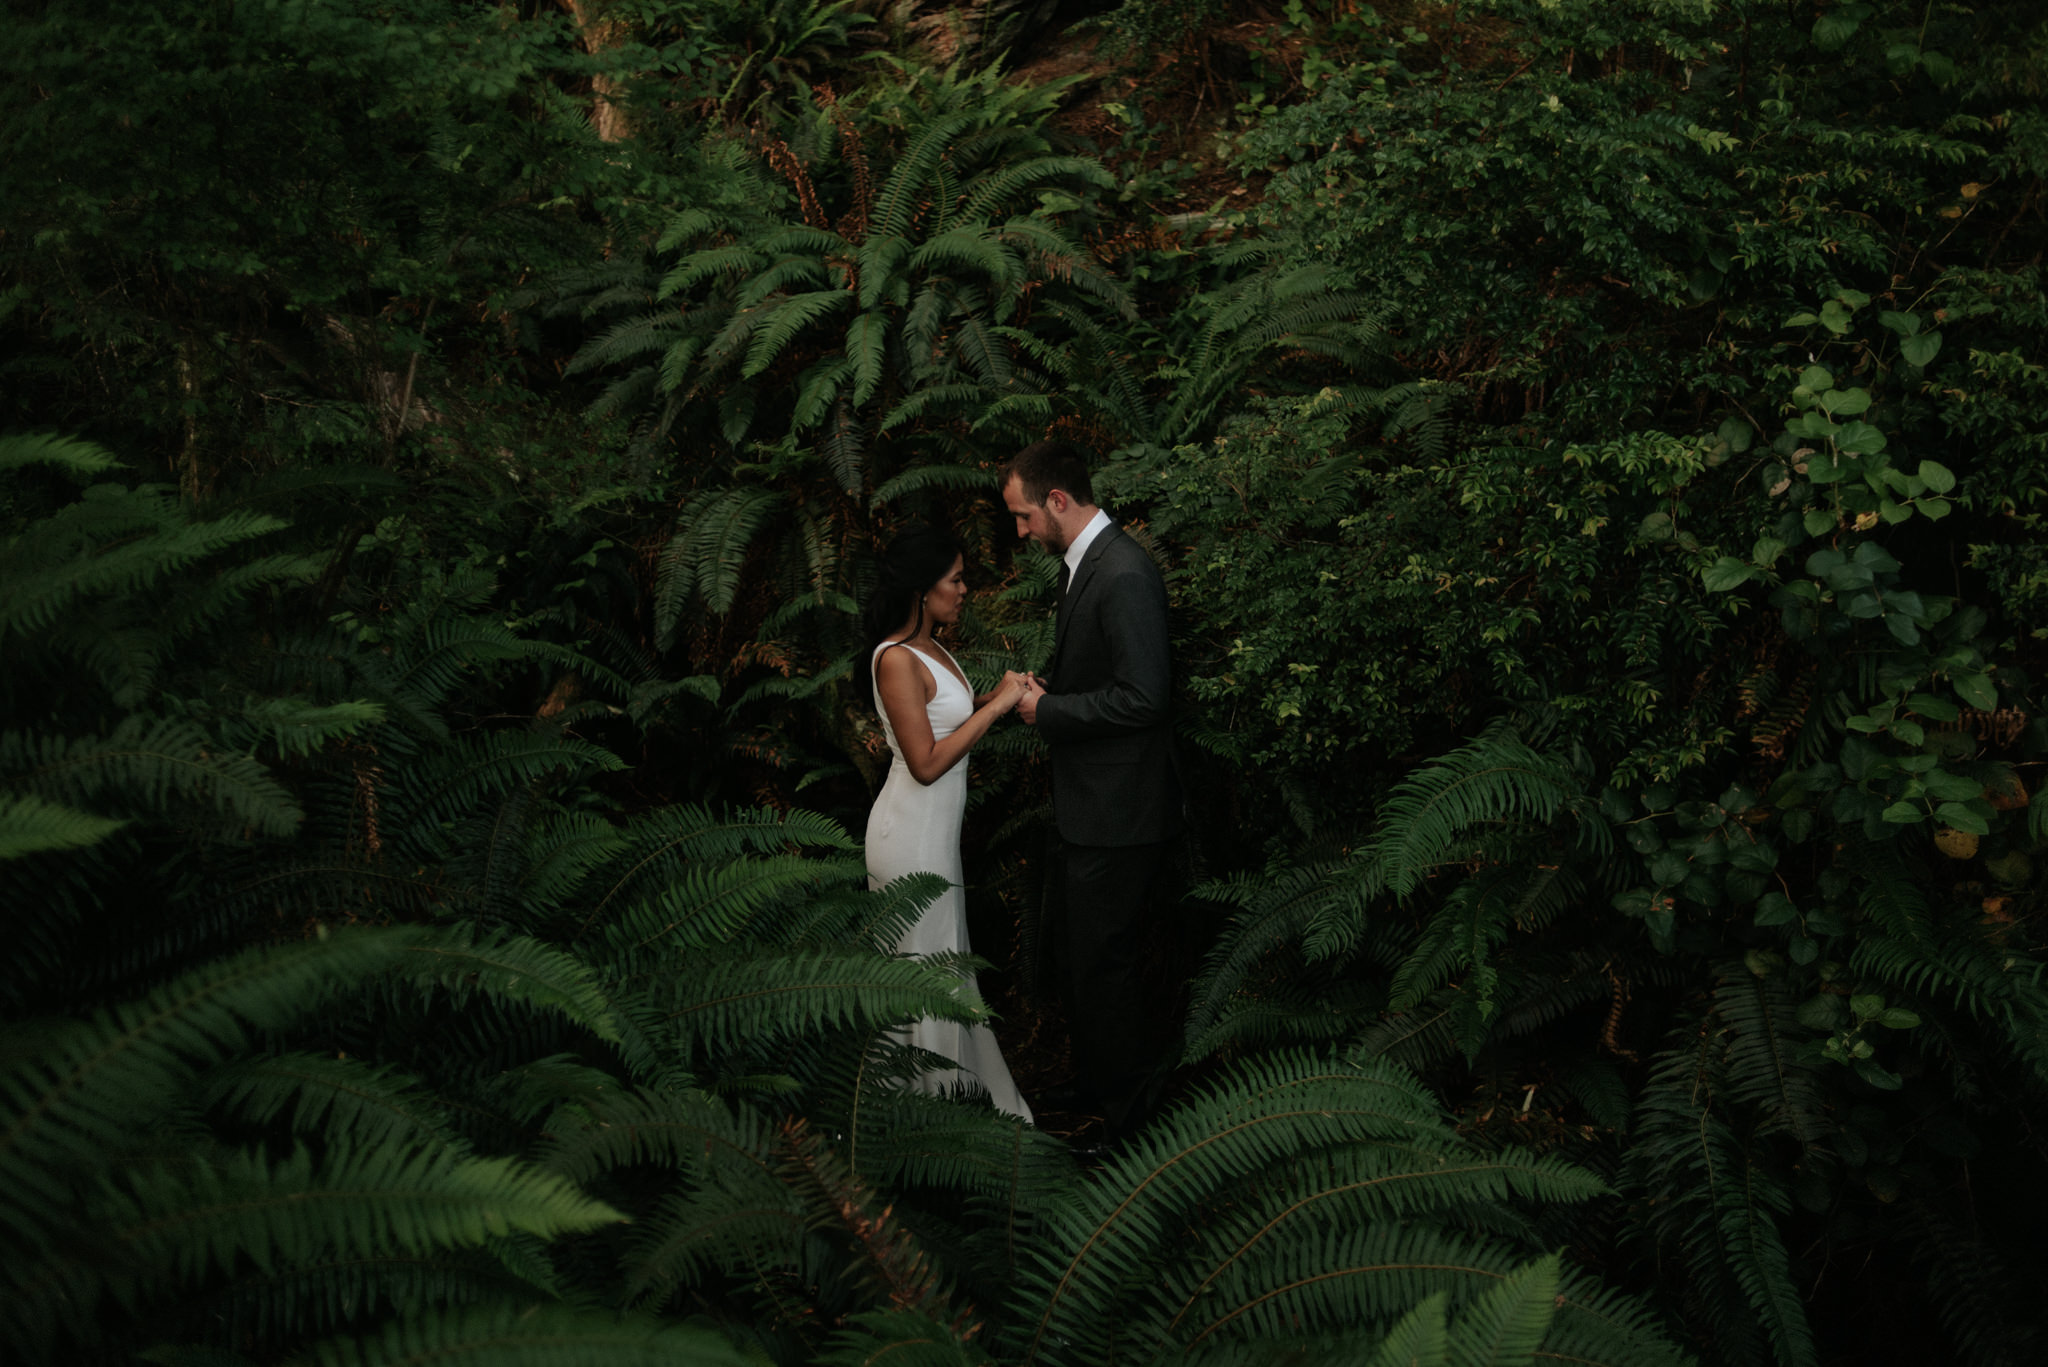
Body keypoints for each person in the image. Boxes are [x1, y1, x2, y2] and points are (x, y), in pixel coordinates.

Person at [1002, 439, 1182, 1147]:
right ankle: (1095, 1084)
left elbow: (1146, 696)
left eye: (1022, 517)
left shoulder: (1125, 571)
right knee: (1087, 961)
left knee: (1108, 966)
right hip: (1093, 806)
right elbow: (1101, 671)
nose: (1020, 534)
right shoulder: (1085, 566)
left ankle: (1129, 1122)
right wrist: (1054, 687)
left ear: (1057, 500)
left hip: (1121, 812)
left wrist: (1049, 713)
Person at [863, 525, 1036, 1122]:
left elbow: (949, 720)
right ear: (921, 589)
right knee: (922, 972)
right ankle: (919, 1117)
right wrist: (997, 706)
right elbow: (928, 762)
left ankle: (949, 1110)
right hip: (907, 838)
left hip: (937, 839)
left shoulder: (934, 647)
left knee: (944, 965)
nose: (965, 589)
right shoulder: (894, 658)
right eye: (956, 579)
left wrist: (1005, 691)